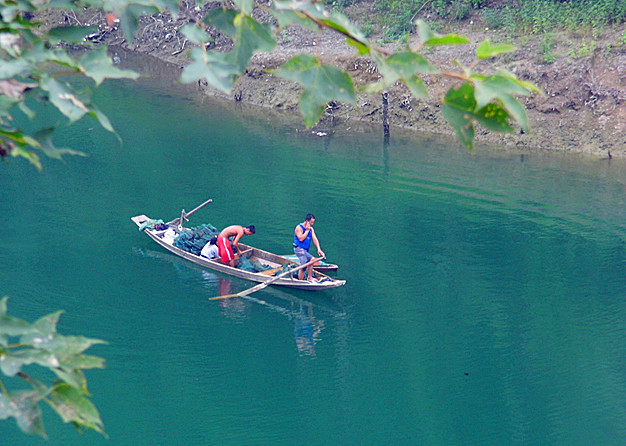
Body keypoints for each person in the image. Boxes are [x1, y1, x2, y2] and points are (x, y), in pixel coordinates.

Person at [293, 214, 325, 282]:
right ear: (307, 221)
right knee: (304, 266)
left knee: (311, 261)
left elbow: (314, 239)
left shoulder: (311, 229)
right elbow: (301, 239)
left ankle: (309, 277)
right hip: (299, 249)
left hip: (305, 250)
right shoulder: (299, 228)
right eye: (311, 222)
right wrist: (307, 230)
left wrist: (319, 249)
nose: (312, 224)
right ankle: (300, 281)